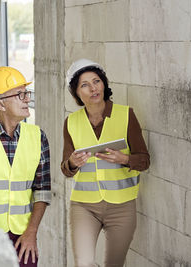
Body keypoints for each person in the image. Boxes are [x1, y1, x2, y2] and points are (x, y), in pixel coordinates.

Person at [61, 59, 150, 267]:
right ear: (76, 93)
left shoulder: (126, 115)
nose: (93, 88)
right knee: (83, 263)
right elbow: (66, 169)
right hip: (84, 206)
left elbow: (144, 160)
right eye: (85, 85)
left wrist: (125, 159)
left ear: (104, 84)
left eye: (97, 81)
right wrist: (72, 163)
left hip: (122, 206)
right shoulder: (71, 122)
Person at [0, 66, 51, 267]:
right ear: (1, 104)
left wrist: (31, 232)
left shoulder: (38, 136)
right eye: (19, 94)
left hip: (23, 238)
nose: (26, 99)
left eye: (26, 93)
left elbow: (42, 191)